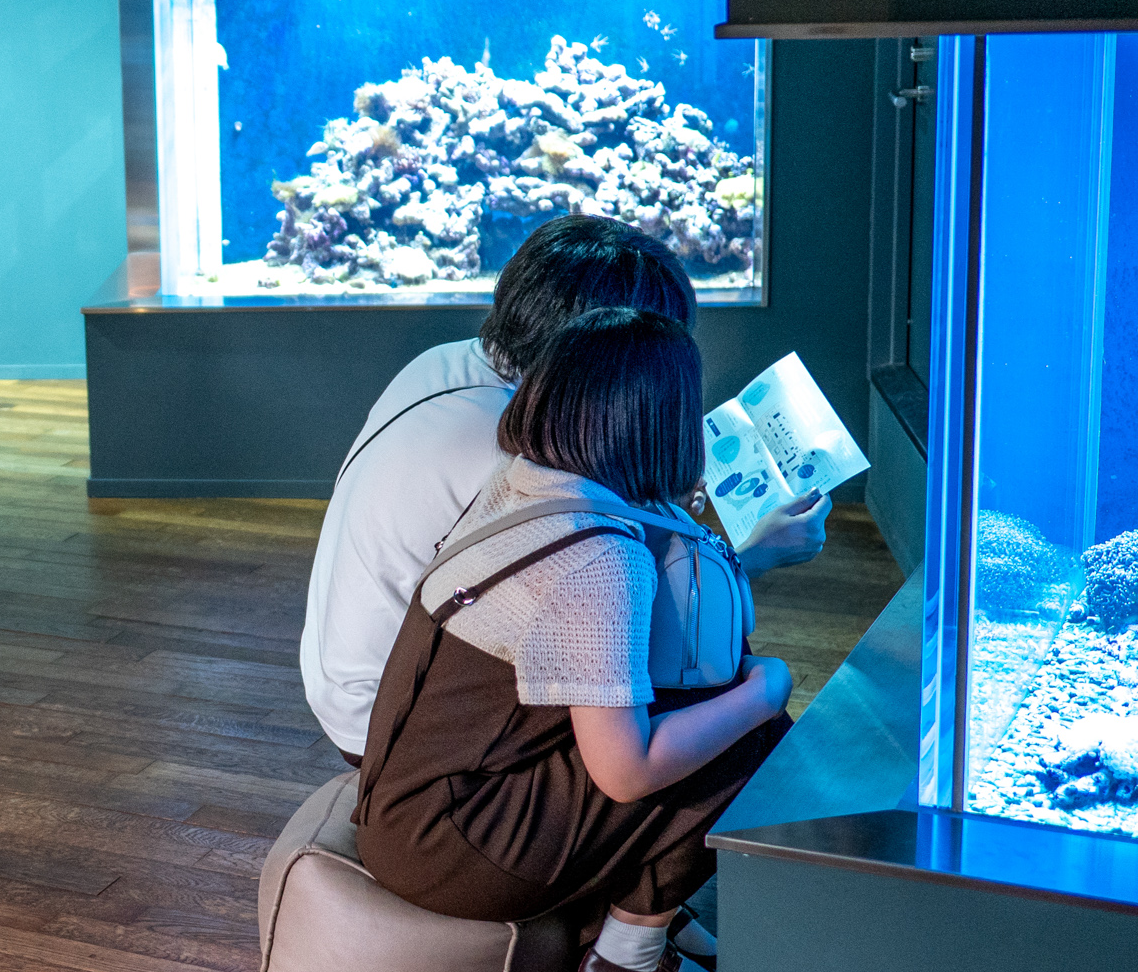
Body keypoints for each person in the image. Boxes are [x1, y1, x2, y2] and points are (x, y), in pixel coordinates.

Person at [352, 308, 793, 972]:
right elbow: (626, 771)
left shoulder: (526, 481)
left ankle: (636, 909)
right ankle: (626, 958)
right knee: (753, 736)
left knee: (701, 703)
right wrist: (766, 692)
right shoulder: (598, 556)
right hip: (453, 846)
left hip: (407, 807)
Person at [300, 215, 828, 766]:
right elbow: (617, 608)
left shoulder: (445, 363)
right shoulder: (522, 457)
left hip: (353, 683)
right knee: (714, 682)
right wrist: (754, 556)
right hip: (399, 724)